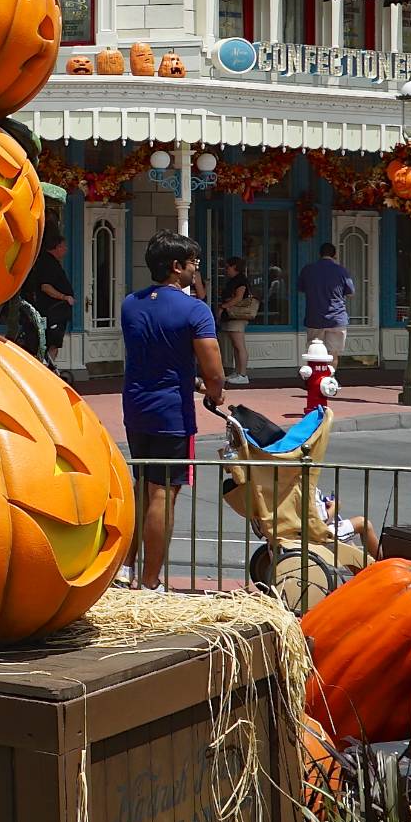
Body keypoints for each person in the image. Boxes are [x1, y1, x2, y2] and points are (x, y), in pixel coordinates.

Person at [121, 231, 226, 592]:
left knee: (140, 488)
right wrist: (214, 392)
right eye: (192, 263)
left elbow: (155, 355)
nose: (195, 269)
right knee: (163, 493)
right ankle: (150, 581)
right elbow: (213, 367)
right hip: (171, 414)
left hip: (136, 407)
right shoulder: (195, 309)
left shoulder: (129, 304)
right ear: (175, 266)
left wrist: (190, 379)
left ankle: (124, 568)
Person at [20, 229, 76, 373]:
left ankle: (47, 369)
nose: (66, 249)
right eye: (64, 246)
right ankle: (46, 371)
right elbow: (45, 287)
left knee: (53, 343)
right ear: (57, 247)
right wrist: (64, 297)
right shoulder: (48, 264)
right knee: (50, 343)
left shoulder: (51, 263)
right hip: (52, 312)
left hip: (56, 313)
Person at [297, 245, 356, 359]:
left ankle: (316, 376)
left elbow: (301, 289)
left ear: (320, 254)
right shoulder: (341, 270)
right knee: (332, 354)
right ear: (335, 255)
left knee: (314, 354)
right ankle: (330, 376)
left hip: (314, 318)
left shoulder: (308, 270)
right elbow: (350, 293)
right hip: (336, 318)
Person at [214, 255, 257, 386]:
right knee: (235, 346)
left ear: (235, 267)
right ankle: (238, 372)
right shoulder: (234, 280)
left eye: (228, 267)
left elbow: (238, 298)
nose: (226, 269)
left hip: (236, 317)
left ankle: (243, 374)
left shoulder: (240, 281)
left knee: (239, 346)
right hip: (231, 316)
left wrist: (223, 307)